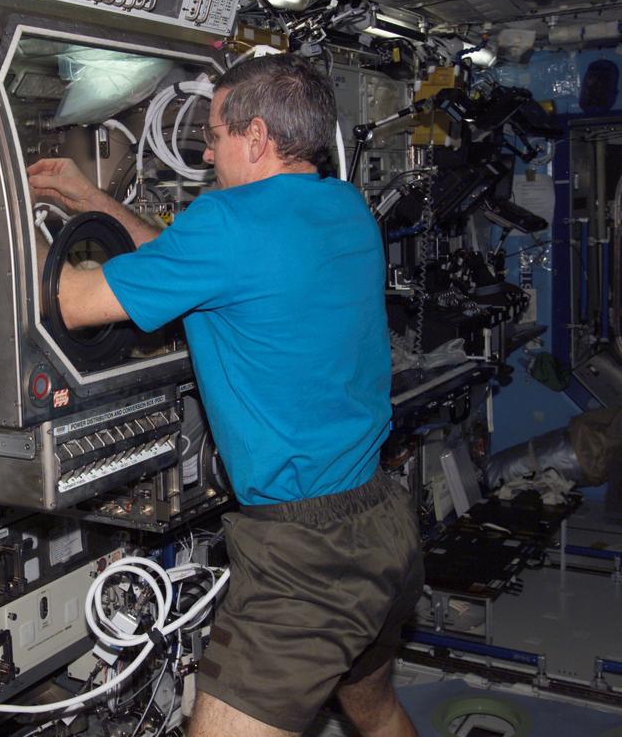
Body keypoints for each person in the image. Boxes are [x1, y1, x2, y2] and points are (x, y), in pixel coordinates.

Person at [27, 54, 423, 737]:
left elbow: (77, 301)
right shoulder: (346, 208)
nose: (206, 151)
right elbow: (190, 264)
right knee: (374, 707)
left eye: (214, 134)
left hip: (305, 558)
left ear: (259, 136)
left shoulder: (227, 223)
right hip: (384, 522)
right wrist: (92, 201)